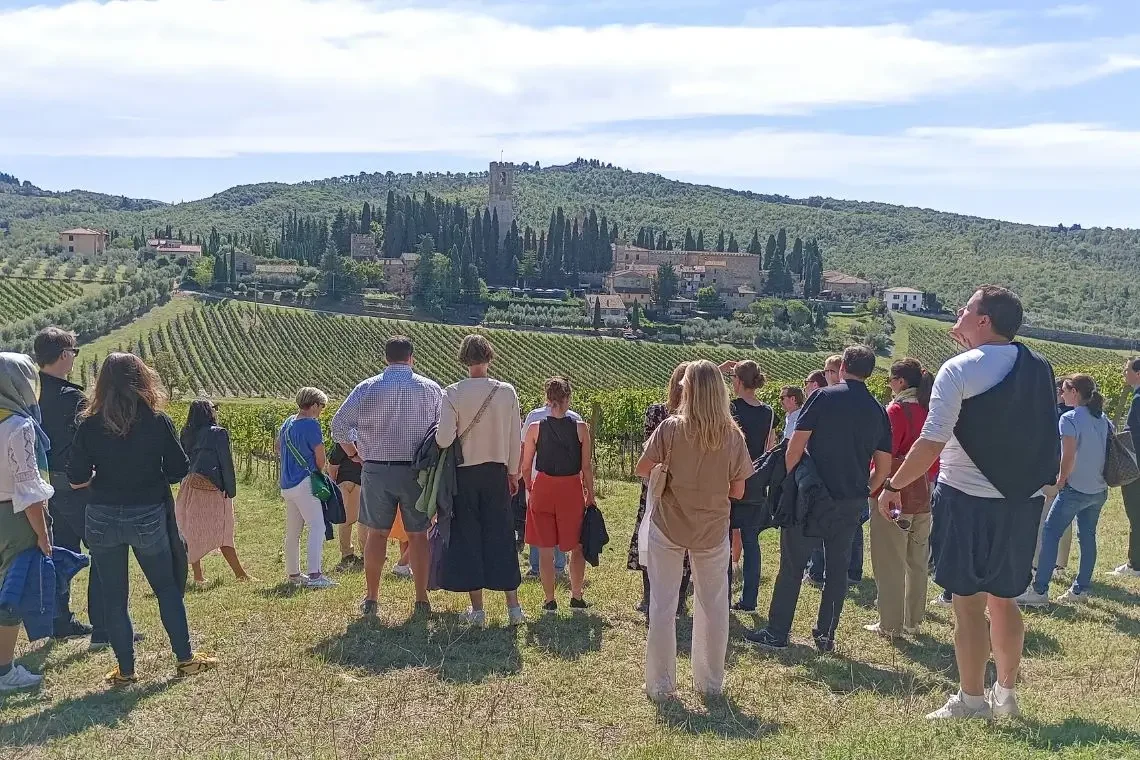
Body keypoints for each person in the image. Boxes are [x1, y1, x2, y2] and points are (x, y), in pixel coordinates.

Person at [878, 286, 1057, 720]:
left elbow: (931, 440)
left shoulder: (957, 370)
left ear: (983, 320)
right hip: (1021, 501)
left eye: (967, 307)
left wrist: (893, 484)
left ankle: (972, 700)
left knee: (967, 604)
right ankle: (1007, 694)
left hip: (967, 498)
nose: (958, 311)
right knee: (1005, 599)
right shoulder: (1039, 365)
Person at [69, 352, 217, 683]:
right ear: (143, 379)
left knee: (115, 597)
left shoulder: (90, 425)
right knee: (166, 587)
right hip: (148, 512)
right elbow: (179, 470)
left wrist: (99, 477)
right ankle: (185, 658)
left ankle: (125, 671)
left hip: (102, 515)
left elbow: (76, 478)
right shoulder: (157, 420)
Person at [746, 346, 893, 653]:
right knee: (837, 570)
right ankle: (825, 635)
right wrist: (865, 490)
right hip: (850, 501)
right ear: (869, 372)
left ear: (842, 368)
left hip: (810, 496)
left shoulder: (823, 397)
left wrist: (788, 480)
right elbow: (884, 467)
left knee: (792, 565)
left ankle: (778, 632)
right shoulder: (878, 409)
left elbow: (795, 446)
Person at [636, 360, 753, 700]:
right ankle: (711, 682)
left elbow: (643, 469)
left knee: (662, 605)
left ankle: (660, 685)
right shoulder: (732, 436)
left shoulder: (670, 429)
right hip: (713, 529)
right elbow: (739, 490)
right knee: (714, 606)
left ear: (687, 388)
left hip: (669, 525)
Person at [331, 336, 441, 617]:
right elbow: (443, 432)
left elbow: (339, 426)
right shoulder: (431, 389)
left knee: (376, 535)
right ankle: (421, 599)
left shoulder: (367, 387)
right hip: (417, 471)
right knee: (418, 536)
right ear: (411, 358)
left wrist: (355, 455)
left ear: (386, 358)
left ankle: (371, 598)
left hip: (377, 469)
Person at [437, 335, 526, 628]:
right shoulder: (507, 392)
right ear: (489, 356)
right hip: (497, 473)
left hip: (464, 475)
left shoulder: (452, 393)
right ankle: (514, 608)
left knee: (468, 539)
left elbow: (444, 438)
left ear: (464, 358)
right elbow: (516, 437)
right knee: (501, 536)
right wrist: (513, 473)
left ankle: (478, 611)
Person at [33, 327, 101, 643]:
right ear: (64, 354)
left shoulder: (29, 393)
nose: (73, 358)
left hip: (41, 487)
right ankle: (106, 623)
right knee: (103, 549)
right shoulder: (72, 397)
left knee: (60, 551)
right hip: (75, 486)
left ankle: (60, 619)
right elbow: (86, 444)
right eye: (73, 352)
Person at [1017, 374, 1110, 606]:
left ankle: (1039, 591)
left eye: (1065, 390)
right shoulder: (1102, 418)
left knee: (1050, 534)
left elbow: (1067, 456)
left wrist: (1059, 483)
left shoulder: (1069, 419)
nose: (1062, 394)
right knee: (1087, 536)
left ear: (1075, 393)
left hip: (1075, 489)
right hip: (1098, 489)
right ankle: (1081, 589)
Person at [865, 358, 935, 636]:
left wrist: (875, 485)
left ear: (901, 382)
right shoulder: (930, 409)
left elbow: (884, 455)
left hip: (893, 491)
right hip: (923, 489)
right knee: (917, 560)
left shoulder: (895, 410)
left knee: (889, 559)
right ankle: (913, 620)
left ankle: (890, 623)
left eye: (891, 380)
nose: (889, 385)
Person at [0, 352, 54, 691]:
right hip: (15, 517)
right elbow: (29, 490)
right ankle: (5, 670)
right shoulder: (19, 426)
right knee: (13, 593)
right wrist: (44, 533)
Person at [521, 377, 596, 612]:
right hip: (571, 488)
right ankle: (576, 596)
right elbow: (586, 467)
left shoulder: (535, 428)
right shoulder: (581, 428)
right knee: (577, 545)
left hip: (543, 486)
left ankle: (549, 600)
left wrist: (529, 486)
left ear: (547, 399)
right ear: (567, 399)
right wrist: (590, 494)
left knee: (544, 547)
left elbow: (526, 466)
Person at [627, 362, 691, 617]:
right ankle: (678, 599)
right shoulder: (699, 421)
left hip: (657, 484)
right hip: (684, 487)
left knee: (650, 537)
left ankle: (650, 597)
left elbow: (647, 452)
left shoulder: (657, 413)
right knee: (683, 540)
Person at [804, 355, 868, 589]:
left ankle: (827, 571)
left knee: (829, 527)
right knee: (848, 527)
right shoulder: (860, 402)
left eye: (830, 371)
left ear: (840, 371)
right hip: (854, 478)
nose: (827, 376)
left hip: (832, 477)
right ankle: (839, 571)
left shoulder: (825, 399)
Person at [176, 400, 251, 585]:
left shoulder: (186, 433)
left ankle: (198, 575)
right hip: (212, 487)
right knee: (224, 529)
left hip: (189, 486)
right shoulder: (218, 433)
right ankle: (240, 574)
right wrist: (230, 490)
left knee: (191, 530)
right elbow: (225, 463)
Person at [724, 361, 775, 612]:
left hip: (731, 479)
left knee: (723, 540)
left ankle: (722, 595)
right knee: (751, 543)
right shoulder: (769, 412)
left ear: (738, 381)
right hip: (755, 481)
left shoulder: (730, 409)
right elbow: (769, 447)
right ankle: (749, 600)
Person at [276, 387, 336, 589]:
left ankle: (293, 573)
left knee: (293, 531)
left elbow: (278, 447)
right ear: (314, 405)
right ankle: (315, 574)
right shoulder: (311, 425)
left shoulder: (287, 423)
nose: (321, 411)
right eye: (322, 407)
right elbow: (320, 459)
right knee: (317, 526)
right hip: (305, 482)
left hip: (287, 483)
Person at [521, 397, 581, 580]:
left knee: (538, 523)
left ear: (546, 397)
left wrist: (523, 477)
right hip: (567, 480)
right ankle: (559, 565)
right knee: (561, 522)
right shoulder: (575, 419)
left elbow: (524, 447)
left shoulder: (534, 417)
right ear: (567, 398)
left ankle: (536, 566)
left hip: (536, 477)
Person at [1108, 356, 1140, 578]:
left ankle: (1135, 564)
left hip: (1136, 467)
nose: (1124, 373)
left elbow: (1134, 436)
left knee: (1135, 514)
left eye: (1127, 369)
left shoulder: (1138, 399)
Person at [328, 442, 366, 572]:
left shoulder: (344, 440)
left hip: (344, 481)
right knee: (363, 519)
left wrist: (333, 484)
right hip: (363, 481)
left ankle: (347, 553)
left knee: (345, 519)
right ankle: (366, 552)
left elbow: (333, 465)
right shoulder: (369, 435)